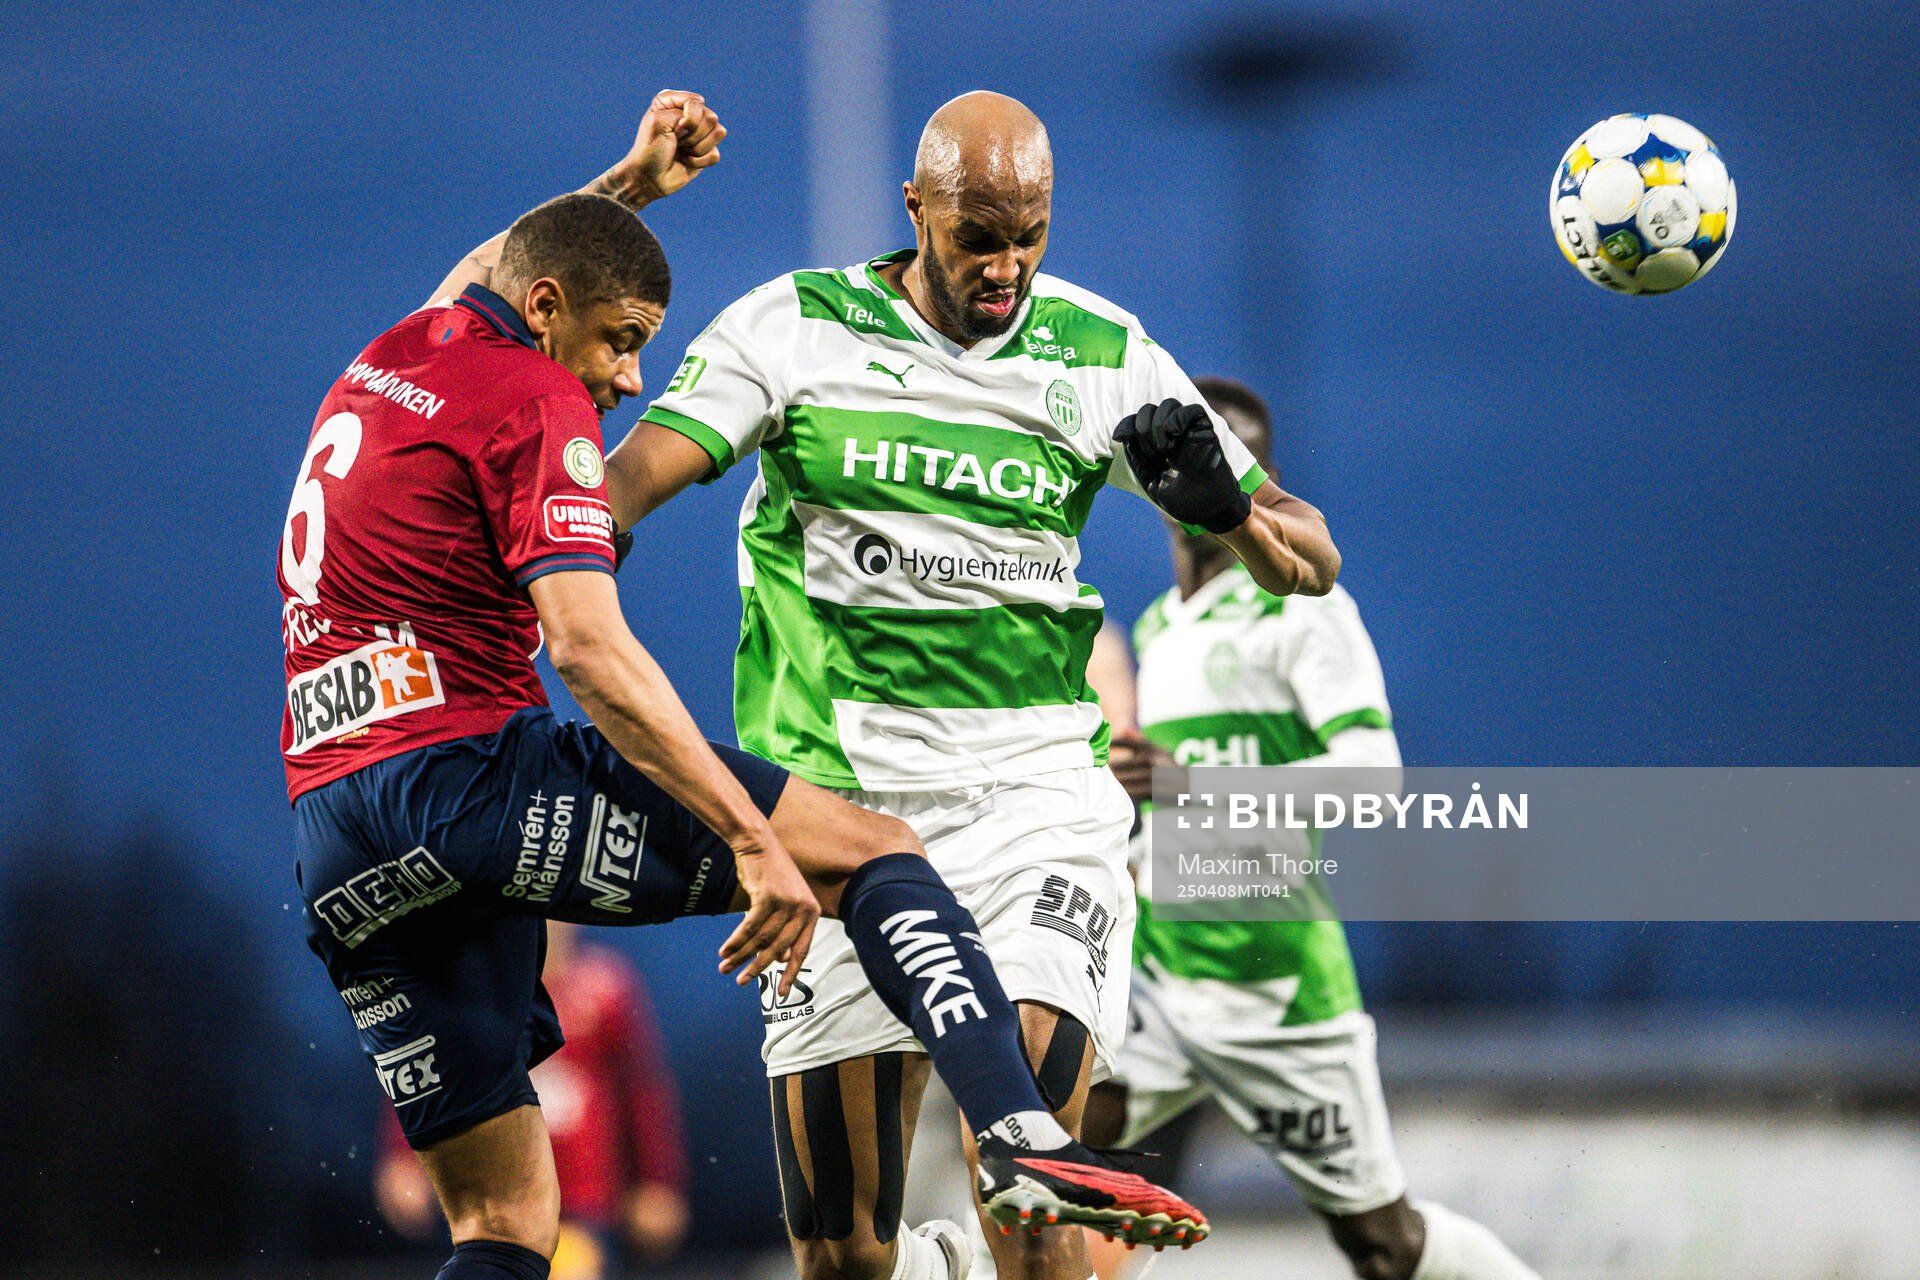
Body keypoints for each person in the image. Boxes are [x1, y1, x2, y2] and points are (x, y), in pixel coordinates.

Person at [280, 91, 1206, 1280]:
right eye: (619, 340)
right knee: (870, 850)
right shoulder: (535, 398)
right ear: (551, 311)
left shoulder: (402, 353)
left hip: (336, 834)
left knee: (506, 1219)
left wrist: (628, 179)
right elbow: (588, 649)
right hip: (468, 776)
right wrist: (748, 836)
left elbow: (501, 262)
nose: (624, 379)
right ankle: (1020, 1129)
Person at [605, 91, 1341, 1280]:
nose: (1006, 267)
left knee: (1035, 1193)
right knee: (844, 1254)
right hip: (837, 816)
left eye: (1030, 236)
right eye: (978, 237)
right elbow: (618, 492)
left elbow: (1312, 557)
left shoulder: (1104, 351)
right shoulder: (791, 329)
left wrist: (1233, 508)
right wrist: (545, 558)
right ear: (918, 210)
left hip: (1034, 804)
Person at [1078, 378, 1543, 1280]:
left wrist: (1187, 782)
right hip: (1166, 983)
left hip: (1279, 992)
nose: (1192, 476)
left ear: (1261, 480)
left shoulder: (1304, 608)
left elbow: (1376, 780)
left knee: (1382, 1243)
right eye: (1177, 460)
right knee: (1043, 1142)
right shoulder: (1163, 625)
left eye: (1218, 459)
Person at [374, 923, 691, 1280]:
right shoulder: (470, 990)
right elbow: (426, 1071)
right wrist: (403, 1156)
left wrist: (657, 1182)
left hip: (582, 1202)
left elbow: (643, 1093)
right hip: (493, 1202)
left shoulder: (606, 987)